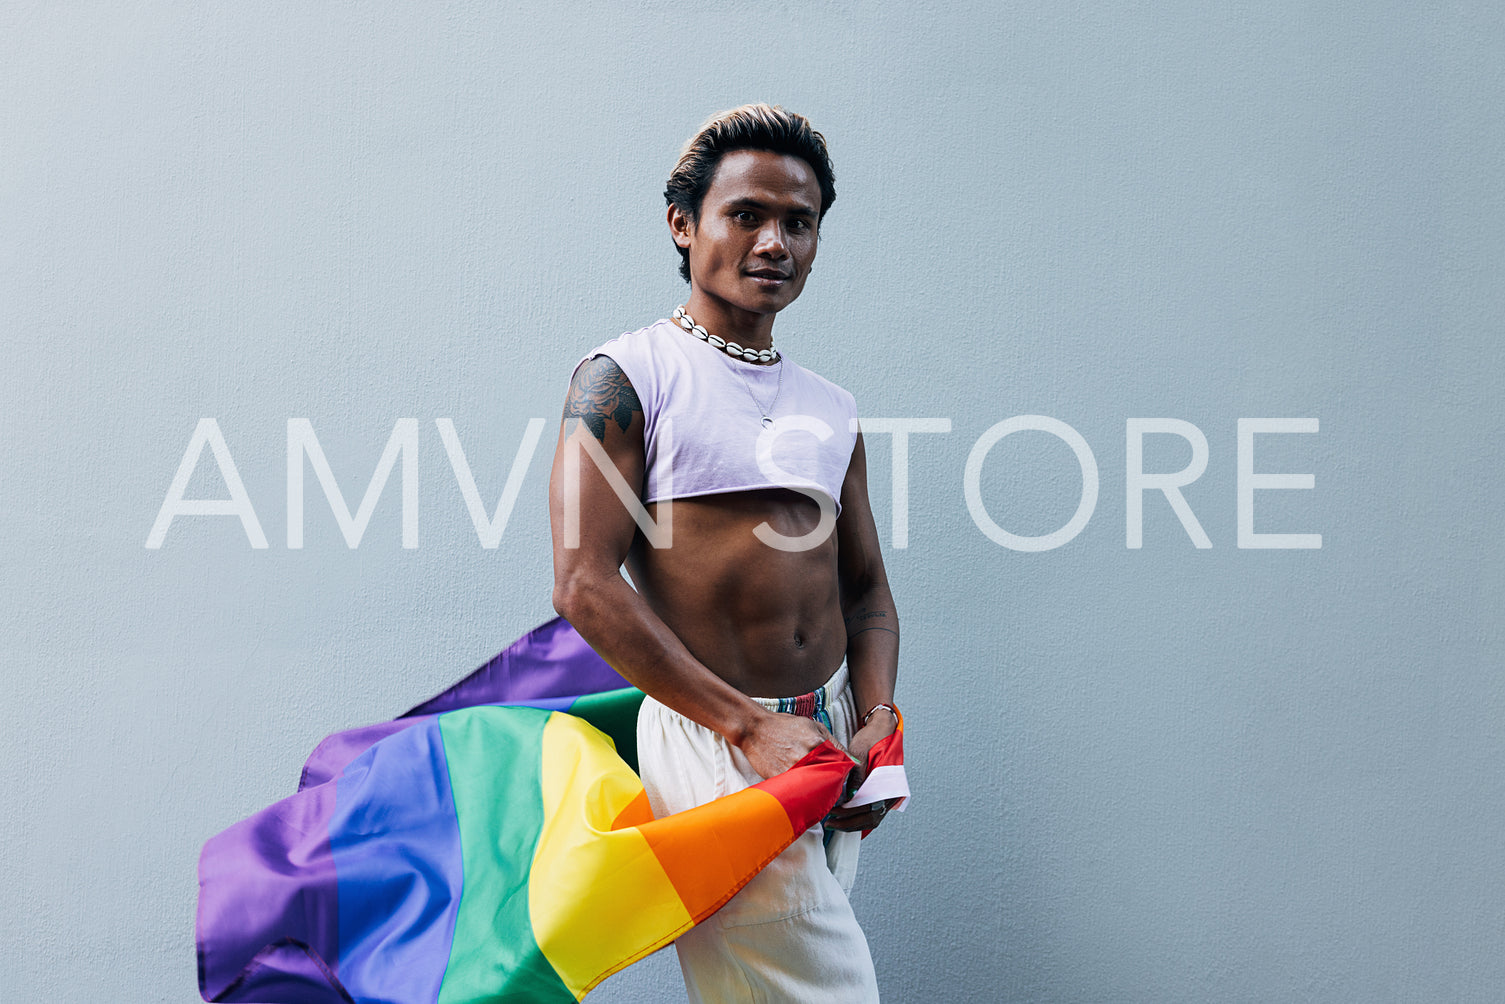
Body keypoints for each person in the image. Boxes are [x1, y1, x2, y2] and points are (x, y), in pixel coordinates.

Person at [548, 104, 900, 1003]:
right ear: (683, 223)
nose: (773, 241)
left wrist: (876, 715)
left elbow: (864, 591)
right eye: (745, 214)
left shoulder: (831, 405)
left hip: (824, 738)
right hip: (721, 738)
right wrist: (747, 727)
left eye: (798, 221)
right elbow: (583, 584)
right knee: (830, 991)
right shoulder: (625, 376)